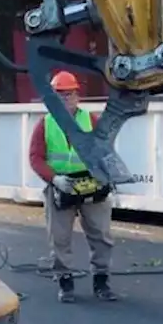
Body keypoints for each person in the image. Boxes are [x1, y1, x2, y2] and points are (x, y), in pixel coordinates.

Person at [28, 71, 118, 304]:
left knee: (101, 234)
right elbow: (36, 157)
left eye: (70, 94)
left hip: (91, 183)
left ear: (77, 96)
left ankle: (101, 281)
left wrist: (105, 177)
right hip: (61, 185)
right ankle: (65, 283)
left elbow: (105, 150)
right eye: (61, 95)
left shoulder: (91, 120)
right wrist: (54, 179)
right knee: (59, 238)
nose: (66, 99)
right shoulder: (45, 125)